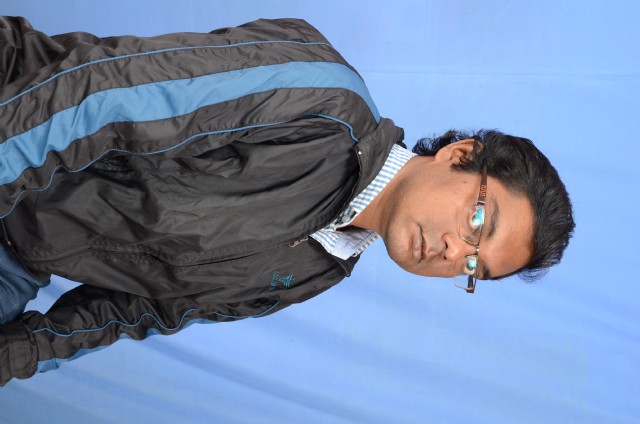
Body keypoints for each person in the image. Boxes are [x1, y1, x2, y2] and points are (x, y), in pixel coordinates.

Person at [0, 16, 574, 386]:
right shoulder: (324, 98)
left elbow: (137, 313)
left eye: (473, 266)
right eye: (478, 221)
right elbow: (96, 99)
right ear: (459, 155)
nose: (453, 251)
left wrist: (18, 354)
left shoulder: (315, 273)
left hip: (19, 251)